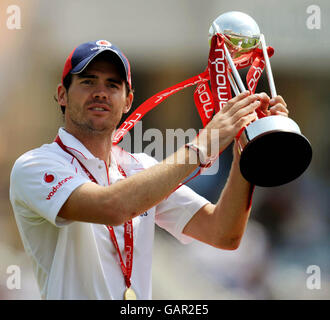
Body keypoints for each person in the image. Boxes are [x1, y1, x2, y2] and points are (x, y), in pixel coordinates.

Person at [9, 39, 289, 300]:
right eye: (87, 81)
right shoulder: (35, 165)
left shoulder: (140, 167)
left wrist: (246, 151)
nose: (100, 93)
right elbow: (113, 207)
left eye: (113, 85)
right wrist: (203, 146)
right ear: (62, 95)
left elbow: (223, 233)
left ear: (128, 101)